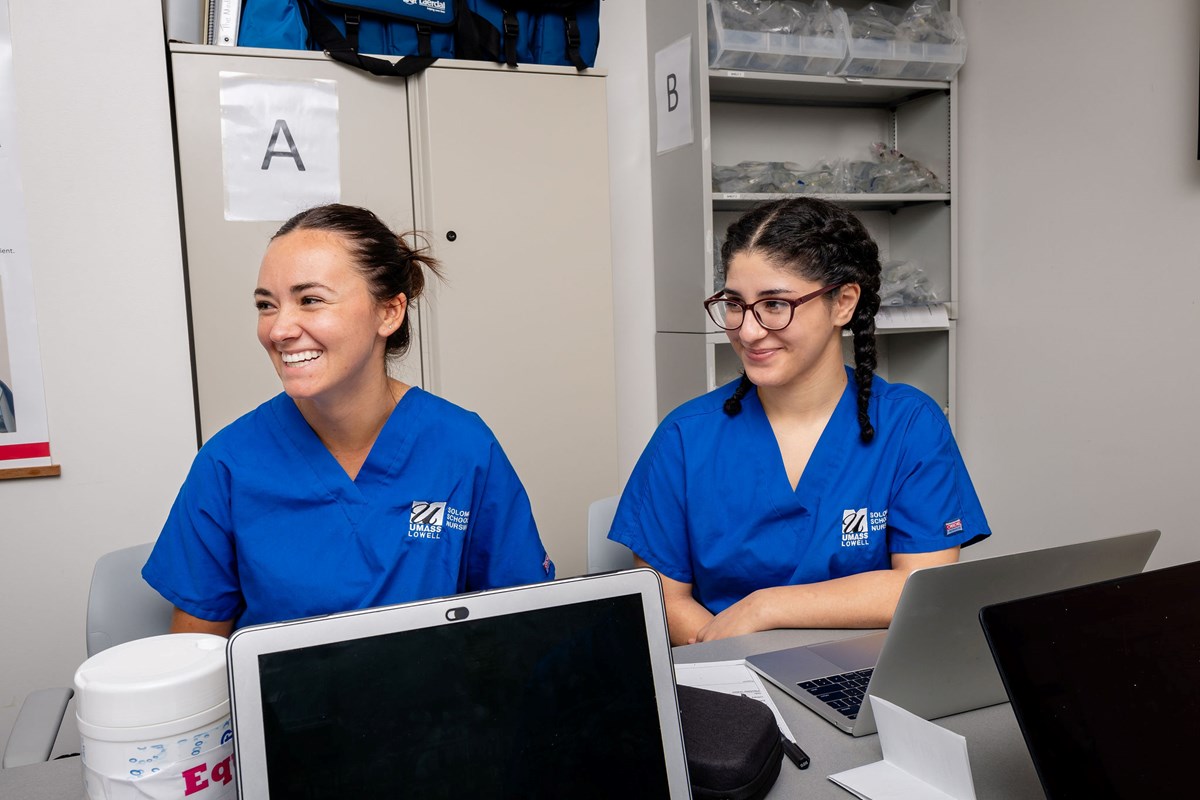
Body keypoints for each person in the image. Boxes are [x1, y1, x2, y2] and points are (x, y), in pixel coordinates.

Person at [143, 204, 554, 635]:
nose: (279, 329)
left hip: (439, 700)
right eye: (267, 305)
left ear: (389, 312)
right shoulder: (228, 464)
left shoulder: (463, 447)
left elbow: (522, 626)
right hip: (286, 702)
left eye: (311, 300)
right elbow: (196, 657)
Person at [609, 196, 989, 645]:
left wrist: (764, 607)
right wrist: (747, 670)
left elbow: (919, 583)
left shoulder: (909, 425)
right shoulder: (685, 437)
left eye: (774, 304)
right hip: (726, 669)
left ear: (844, 303)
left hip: (866, 674)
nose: (747, 331)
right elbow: (665, 600)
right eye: (734, 303)